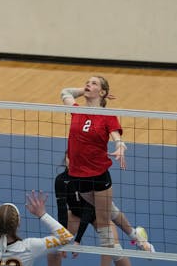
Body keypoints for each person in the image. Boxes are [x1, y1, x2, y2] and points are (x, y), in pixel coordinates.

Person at [60, 76, 128, 264]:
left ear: (103, 92)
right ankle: (137, 238)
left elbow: (116, 135)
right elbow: (65, 92)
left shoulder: (107, 115)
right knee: (109, 212)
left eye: (94, 83)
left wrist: (121, 144)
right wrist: (84, 91)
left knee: (105, 229)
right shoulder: (77, 111)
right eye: (87, 82)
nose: (88, 84)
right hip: (77, 176)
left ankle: (135, 243)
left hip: (98, 175)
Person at [47, 153, 155, 266]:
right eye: (69, 157)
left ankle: (138, 239)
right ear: (65, 159)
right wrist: (62, 238)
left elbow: (88, 210)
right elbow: (62, 211)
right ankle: (136, 236)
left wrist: (77, 240)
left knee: (114, 249)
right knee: (54, 247)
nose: (72, 160)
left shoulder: (87, 177)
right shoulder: (61, 180)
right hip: (75, 214)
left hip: (98, 213)